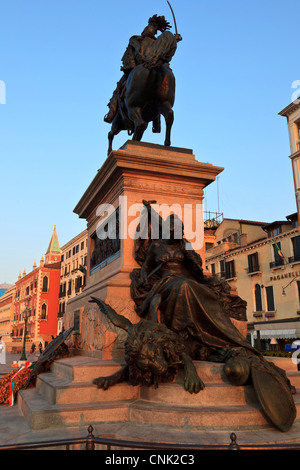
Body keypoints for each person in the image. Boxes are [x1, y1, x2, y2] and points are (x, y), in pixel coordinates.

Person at [104, 14, 174, 130]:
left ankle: (110, 115)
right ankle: (156, 123)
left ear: (154, 28)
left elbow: (130, 57)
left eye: (151, 26)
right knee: (157, 83)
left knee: (118, 90)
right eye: (149, 25)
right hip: (149, 69)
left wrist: (131, 68)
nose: (148, 28)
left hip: (136, 70)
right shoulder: (157, 44)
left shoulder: (136, 39)